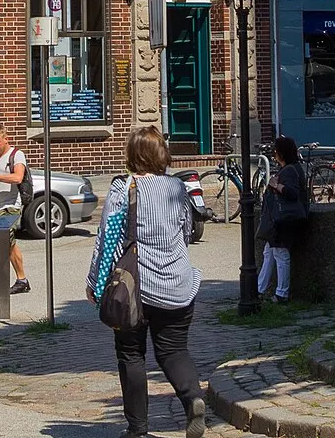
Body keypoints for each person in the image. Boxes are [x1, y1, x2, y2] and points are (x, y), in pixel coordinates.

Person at [88, 126, 204, 438]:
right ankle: (193, 399)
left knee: (131, 355)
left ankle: (138, 429)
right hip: (178, 283)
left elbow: (107, 240)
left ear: (132, 155)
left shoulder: (122, 189)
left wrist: (95, 283)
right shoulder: (178, 188)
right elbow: (187, 233)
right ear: (162, 154)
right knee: (174, 351)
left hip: (134, 288)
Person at [257, 136, 309, 302]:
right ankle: (260, 288)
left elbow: (292, 193)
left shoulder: (289, 171)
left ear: (281, 153)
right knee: (269, 251)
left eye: (276, 150)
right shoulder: (293, 168)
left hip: (284, 219)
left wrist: (275, 185)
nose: (274, 153)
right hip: (281, 218)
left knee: (280, 252)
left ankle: (281, 293)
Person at [0, 122, 31, 294]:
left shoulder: (17, 155)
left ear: (6, 139)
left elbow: (18, 177)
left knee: (2, 242)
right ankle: (22, 279)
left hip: (10, 206)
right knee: (9, 244)